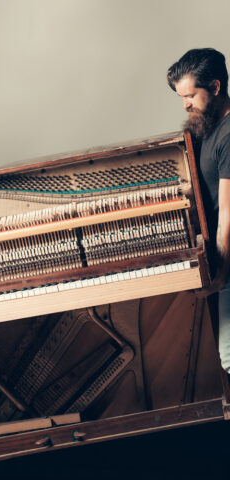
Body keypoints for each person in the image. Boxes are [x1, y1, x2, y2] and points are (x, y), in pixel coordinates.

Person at [167, 48, 230, 382]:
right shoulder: (209, 128)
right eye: (181, 97)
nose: (185, 104)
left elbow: (229, 212)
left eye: (190, 95)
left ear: (216, 87)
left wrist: (220, 275)